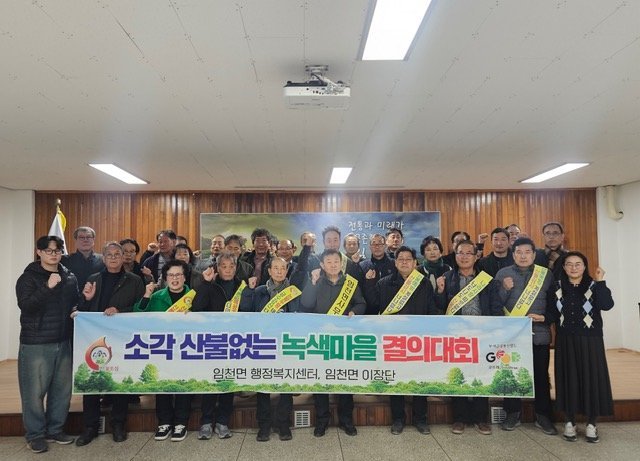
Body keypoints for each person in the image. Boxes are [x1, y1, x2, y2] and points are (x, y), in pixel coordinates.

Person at [364, 246, 439, 435]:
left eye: (408, 259)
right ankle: (398, 419)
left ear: (415, 263)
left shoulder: (423, 283)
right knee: (395, 380)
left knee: (419, 380)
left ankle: (421, 419)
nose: (404, 262)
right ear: (395, 263)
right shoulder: (384, 283)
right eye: (401, 259)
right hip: (394, 341)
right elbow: (373, 308)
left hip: (418, 341)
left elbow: (431, 310)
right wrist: (369, 284)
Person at [75, 242, 145, 446]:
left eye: (117, 254)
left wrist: (120, 311)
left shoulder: (134, 280)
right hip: (93, 338)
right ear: (103, 258)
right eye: (109, 255)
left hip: (121, 338)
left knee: (119, 380)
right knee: (91, 381)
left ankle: (118, 424)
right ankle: (90, 426)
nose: (113, 258)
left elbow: (142, 309)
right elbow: (82, 307)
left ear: (123, 257)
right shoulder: (93, 279)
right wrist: (86, 299)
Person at [16, 236, 78, 453]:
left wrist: (83, 301)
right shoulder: (28, 277)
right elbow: (26, 306)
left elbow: (73, 303)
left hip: (64, 340)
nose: (54, 254)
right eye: (49, 250)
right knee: (34, 392)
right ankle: (35, 435)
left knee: (62, 390)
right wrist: (47, 287)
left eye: (57, 250)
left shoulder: (69, 276)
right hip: (37, 343)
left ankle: (55, 430)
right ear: (39, 252)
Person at [435, 240, 502, 435]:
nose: (464, 257)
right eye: (460, 253)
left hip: (482, 335)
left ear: (476, 256)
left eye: (468, 253)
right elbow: (439, 307)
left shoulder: (486, 280)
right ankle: (459, 418)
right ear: (455, 255)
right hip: (457, 335)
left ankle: (481, 419)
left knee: (481, 376)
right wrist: (440, 290)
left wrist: (495, 330)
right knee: (458, 376)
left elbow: (496, 308)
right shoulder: (447, 278)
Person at [547, 252, 614, 443]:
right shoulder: (557, 287)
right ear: (564, 267)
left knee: (591, 379)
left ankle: (592, 423)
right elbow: (551, 313)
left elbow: (606, 305)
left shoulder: (594, 285)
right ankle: (570, 421)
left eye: (578, 264)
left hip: (591, 340)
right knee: (568, 378)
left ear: (585, 267)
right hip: (565, 339)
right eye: (569, 264)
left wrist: (601, 281)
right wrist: (540, 318)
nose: (574, 268)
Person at [300, 249, 366, 437]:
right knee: (320, 380)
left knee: (344, 379)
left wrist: (355, 311)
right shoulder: (316, 280)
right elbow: (306, 304)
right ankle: (322, 421)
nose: (333, 265)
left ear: (341, 263)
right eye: (328, 262)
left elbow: (361, 303)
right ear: (322, 265)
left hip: (343, 339)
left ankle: (347, 420)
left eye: (336, 261)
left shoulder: (350, 283)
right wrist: (312, 283)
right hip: (321, 339)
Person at [494, 237, 557, 436]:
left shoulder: (545, 275)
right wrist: (504, 289)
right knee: (510, 375)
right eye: (519, 252)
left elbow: (554, 306)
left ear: (534, 254)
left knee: (540, 376)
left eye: (527, 252)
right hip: (511, 337)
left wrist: (545, 318)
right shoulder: (502, 274)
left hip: (539, 335)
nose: (523, 256)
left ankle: (543, 415)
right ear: (513, 255)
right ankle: (512, 413)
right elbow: (495, 306)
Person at [240, 257, 305, 441]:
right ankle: (264, 425)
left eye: (282, 268)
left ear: (287, 270)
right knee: (263, 384)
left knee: (286, 384)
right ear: (269, 271)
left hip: (287, 343)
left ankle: (283, 424)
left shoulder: (294, 292)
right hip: (264, 344)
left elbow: (302, 314)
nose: (279, 271)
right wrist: (248, 291)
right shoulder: (259, 291)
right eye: (275, 268)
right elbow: (246, 312)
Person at [134, 260, 194, 442]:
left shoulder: (194, 296)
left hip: (186, 348)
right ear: (165, 278)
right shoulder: (157, 297)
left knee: (183, 384)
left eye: (178, 275)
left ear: (184, 277)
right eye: (171, 275)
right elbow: (137, 316)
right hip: (162, 349)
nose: (175, 278)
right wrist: (146, 295)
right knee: (162, 384)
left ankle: (181, 422)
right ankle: (164, 422)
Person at [192, 251, 243, 441]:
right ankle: (206, 422)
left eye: (231, 266)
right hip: (213, 342)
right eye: (224, 266)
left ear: (236, 268)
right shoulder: (209, 285)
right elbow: (197, 308)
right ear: (217, 268)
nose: (228, 270)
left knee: (227, 383)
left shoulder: (243, 287)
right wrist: (205, 283)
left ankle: (223, 422)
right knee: (210, 382)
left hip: (235, 342)